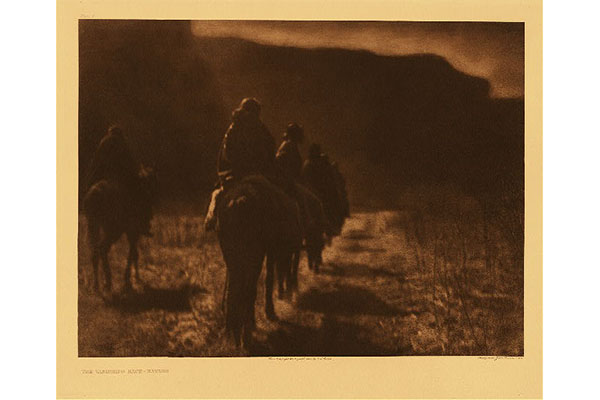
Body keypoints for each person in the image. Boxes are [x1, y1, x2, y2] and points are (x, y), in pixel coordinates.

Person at [205, 98, 278, 231]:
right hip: (254, 174)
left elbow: (226, 155)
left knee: (218, 195)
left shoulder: (233, 128)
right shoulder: (259, 128)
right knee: (276, 198)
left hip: (232, 174)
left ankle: (212, 219)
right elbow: (270, 150)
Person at [86, 125, 152, 236]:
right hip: (118, 177)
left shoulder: (103, 142)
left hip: (101, 176)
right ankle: (143, 224)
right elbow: (129, 161)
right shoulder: (122, 143)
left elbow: (95, 162)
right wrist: (137, 170)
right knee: (141, 195)